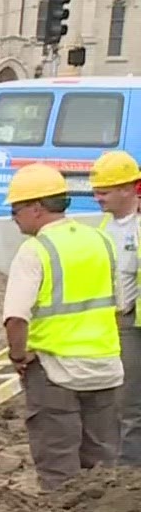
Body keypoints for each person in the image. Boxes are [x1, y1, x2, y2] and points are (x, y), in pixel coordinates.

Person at [2, 162, 123, 491]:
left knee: (58, 468)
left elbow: (16, 317)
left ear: (37, 208)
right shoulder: (100, 241)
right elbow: (121, 301)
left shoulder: (35, 251)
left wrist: (18, 357)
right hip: (104, 368)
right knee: (102, 467)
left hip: (55, 371)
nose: (13, 215)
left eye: (16, 208)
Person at [88, 150, 141, 464]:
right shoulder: (105, 230)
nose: (98, 197)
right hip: (125, 324)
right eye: (96, 191)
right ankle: (129, 473)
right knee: (128, 404)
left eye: (104, 191)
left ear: (128, 188)